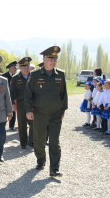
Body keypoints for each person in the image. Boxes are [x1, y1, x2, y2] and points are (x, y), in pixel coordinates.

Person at [24, 46, 68, 177]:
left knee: (54, 141)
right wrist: (28, 111)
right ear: (44, 59)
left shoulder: (60, 74)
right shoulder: (35, 74)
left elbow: (63, 94)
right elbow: (28, 95)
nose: (53, 61)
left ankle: (54, 169)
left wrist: (63, 111)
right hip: (39, 113)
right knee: (39, 140)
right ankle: (40, 160)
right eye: (50, 59)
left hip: (55, 114)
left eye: (55, 59)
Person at [10, 57, 33, 149]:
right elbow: (11, 92)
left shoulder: (33, 76)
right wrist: (12, 103)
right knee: (22, 124)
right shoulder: (15, 78)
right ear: (20, 67)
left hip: (32, 103)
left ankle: (32, 142)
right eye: (24, 66)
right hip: (20, 103)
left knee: (33, 123)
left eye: (27, 66)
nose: (26, 68)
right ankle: (23, 143)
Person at [1, 61, 17, 131]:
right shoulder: (4, 76)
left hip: (13, 96)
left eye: (16, 67)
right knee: (4, 112)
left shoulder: (17, 77)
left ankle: (11, 126)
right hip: (5, 96)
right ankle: (2, 125)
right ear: (10, 68)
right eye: (14, 67)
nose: (16, 69)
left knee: (13, 111)